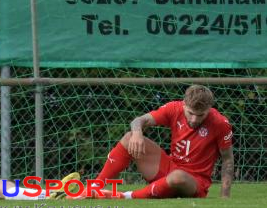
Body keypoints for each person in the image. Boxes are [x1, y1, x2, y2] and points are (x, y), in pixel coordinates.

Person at [70, 85, 234, 200]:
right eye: (191, 113)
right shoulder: (174, 108)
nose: (194, 119)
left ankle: (126, 196)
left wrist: (225, 196)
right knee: (128, 138)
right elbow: (138, 120)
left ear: (209, 109)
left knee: (177, 177)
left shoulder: (220, 123)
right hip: (170, 167)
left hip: (193, 182)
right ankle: (92, 188)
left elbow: (227, 159)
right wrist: (137, 133)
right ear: (184, 104)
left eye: (201, 115)